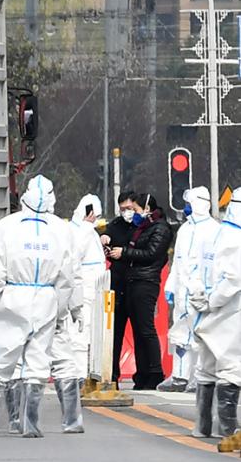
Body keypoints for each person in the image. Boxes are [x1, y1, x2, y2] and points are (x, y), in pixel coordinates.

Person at [0, 175, 73, 439]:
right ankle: (31, 424)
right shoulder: (61, 229)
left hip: (13, 297)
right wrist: (60, 312)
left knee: (2, 360)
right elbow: (67, 277)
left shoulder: (8, 226)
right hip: (46, 298)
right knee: (38, 362)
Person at [40, 193, 106, 434]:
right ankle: (78, 377)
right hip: (86, 289)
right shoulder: (84, 232)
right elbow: (73, 262)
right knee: (80, 335)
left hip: (86, 288)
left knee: (82, 335)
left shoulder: (73, 229)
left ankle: (79, 377)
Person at [102, 190, 170, 390]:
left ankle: (152, 373)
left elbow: (152, 253)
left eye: (133, 209)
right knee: (118, 331)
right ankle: (120, 375)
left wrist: (124, 253)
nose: (129, 213)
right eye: (123, 209)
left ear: (145, 209)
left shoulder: (157, 228)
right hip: (126, 283)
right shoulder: (134, 227)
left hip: (143, 281)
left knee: (144, 329)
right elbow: (108, 231)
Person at [189, 195, 241, 446]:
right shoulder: (236, 239)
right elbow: (233, 280)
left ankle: (201, 425)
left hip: (206, 310)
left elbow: (195, 268)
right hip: (229, 311)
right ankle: (229, 429)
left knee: (206, 367)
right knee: (231, 368)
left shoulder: (214, 234)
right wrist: (213, 300)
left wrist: (200, 297)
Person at [161, 186, 218, 393]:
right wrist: (171, 286)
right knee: (179, 335)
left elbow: (213, 264)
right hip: (182, 292)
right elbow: (177, 261)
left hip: (201, 293)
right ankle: (179, 375)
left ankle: (199, 377)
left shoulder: (213, 230)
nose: (186, 208)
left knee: (200, 336)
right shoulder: (185, 230)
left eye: (189, 203)